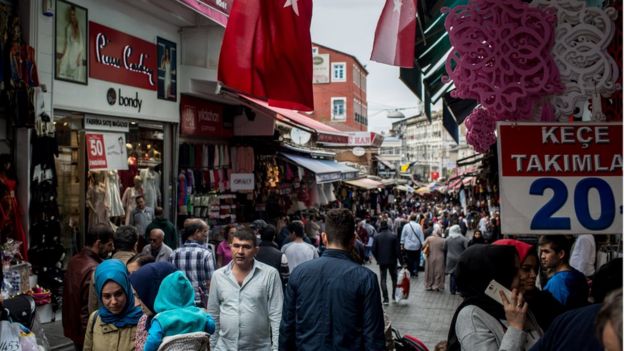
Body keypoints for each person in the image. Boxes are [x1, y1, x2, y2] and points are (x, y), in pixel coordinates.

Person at [280, 208, 385, 350]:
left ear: (324, 237)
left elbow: (287, 327)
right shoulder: (366, 278)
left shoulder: (299, 273)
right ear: (353, 239)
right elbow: (373, 337)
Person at [447, 245, 543, 351]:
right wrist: (515, 328)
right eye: (514, 272)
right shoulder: (471, 316)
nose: (521, 277)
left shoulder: (516, 307)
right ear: (496, 278)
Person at [207, 229, 283, 351]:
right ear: (230, 247)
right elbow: (213, 314)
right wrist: (212, 346)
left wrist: (276, 348)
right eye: (236, 246)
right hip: (223, 347)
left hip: (259, 348)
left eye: (246, 247)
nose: (240, 251)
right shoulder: (218, 276)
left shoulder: (270, 274)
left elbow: (276, 314)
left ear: (256, 250)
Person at [62, 224, 114, 350]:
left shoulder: (74, 260)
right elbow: (87, 309)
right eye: (109, 245)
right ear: (98, 243)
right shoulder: (94, 269)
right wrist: (91, 337)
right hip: (84, 333)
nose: (111, 249)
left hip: (74, 329)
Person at [493, 239, 564, 330]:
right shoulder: (483, 313)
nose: (534, 275)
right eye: (526, 269)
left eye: (535, 269)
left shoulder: (544, 302)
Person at [144, 271, 216, 351]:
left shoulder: (161, 319)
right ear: (189, 292)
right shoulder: (199, 314)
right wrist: (206, 315)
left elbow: (152, 341)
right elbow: (211, 328)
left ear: (162, 295)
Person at [83, 259, 143, 351]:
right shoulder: (95, 319)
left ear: (127, 290)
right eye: (107, 296)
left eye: (118, 294)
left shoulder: (142, 320)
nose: (114, 302)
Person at [129, 262, 179, 351]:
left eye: (140, 297)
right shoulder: (144, 321)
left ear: (156, 294)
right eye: (135, 296)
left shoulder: (191, 322)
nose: (136, 304)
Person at [169, 220, 214, 308]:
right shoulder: (206, 254)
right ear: (197, 232)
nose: (206, 235)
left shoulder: (173, 254)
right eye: (204, 231)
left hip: (179, 302)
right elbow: (211, 283)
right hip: (199, 303)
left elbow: (171, 280)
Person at [538, 235, 589, 310]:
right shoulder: (578, 274)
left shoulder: (557, 282)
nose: (542, 256)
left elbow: (552, 313)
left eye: (546, 252)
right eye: (541, 252)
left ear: (561, 254)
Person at [372, 220, 400, 305]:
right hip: (392, 261)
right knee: (394, 278)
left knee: (383, 279)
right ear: (387, 226)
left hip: (382, 261)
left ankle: (385, 299)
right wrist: (401, 262)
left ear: (380, 226)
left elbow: (373, 250)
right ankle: (394, 297)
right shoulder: (393, 236)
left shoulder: (377, 237)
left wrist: (378, 258)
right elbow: (397, 250)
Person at [255, 224, 290, 289]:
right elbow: (286, 277)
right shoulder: (281, 255)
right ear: (274, 237)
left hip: (256, 288)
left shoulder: (253, 253)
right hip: (276, 289)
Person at [58, 5, 85, 81]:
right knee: (62, 66)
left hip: (78, 54)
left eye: (73, 14)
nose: (72, 17)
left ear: (75, 15)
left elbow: (81, 44)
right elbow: (67, 43)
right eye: (70, 15)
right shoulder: (68, 28)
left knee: (78, 75)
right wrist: (63, 55)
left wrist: (79, 57)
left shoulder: (79, 27)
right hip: (71, 53)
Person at [444, 225, 469, 295]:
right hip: (460, 258)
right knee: (459, 274)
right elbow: (467, 248)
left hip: (450, 258)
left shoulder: (447, 239)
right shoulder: (463, 239)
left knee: (452, 274)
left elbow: (445, 248)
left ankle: (452, 290)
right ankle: (459, 288)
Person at [424, 223, 446, 292]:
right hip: (440, 257)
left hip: (430, 256)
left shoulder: (429, 238)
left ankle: (429, 285)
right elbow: (445, 249)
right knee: (439, 272)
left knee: (430, 271)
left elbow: (423, 246)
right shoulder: (443, 240)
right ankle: (437, 285)